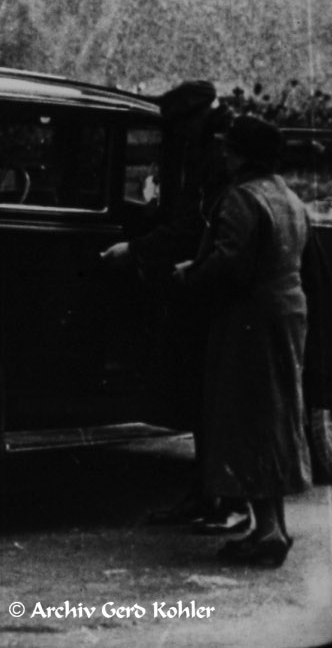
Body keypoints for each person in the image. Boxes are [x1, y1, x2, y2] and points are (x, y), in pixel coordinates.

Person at [100, 80, 246, 532]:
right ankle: (208, 492)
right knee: (202, 398)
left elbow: (196, 223)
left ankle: (228, 499)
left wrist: (140, 250)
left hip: (222, 293)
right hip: (201, 285)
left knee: (221, 400)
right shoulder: (204, 147)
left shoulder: (220, 157)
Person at [173, 114, 309, 567]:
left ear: (245, 154)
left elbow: (230, 266)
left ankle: (267, 534)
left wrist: (190, 274)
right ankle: (274, 527)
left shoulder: (242, 198)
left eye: (231, 148)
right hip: (287, 313)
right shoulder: (288, 197)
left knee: (247, 419)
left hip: (250, 319)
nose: (225, 154)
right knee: (275, 415)